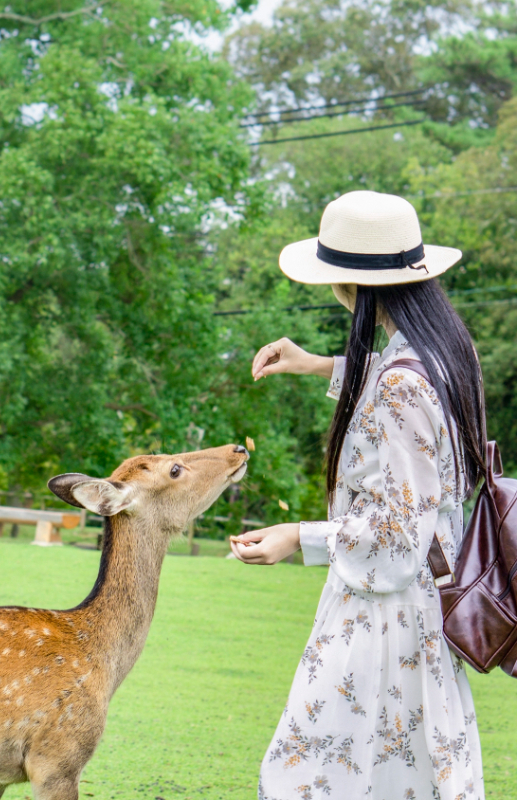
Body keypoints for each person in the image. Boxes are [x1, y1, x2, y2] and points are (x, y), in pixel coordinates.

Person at [231, 191, 487, 800]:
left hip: (384, 611)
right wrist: (319, 363)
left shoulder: (403, 386)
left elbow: (398, 532)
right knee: (406, 769)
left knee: (314, 767)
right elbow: (397, 387)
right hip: (427, 606)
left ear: (354, 288)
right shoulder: (447, 353)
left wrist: (300, 537)